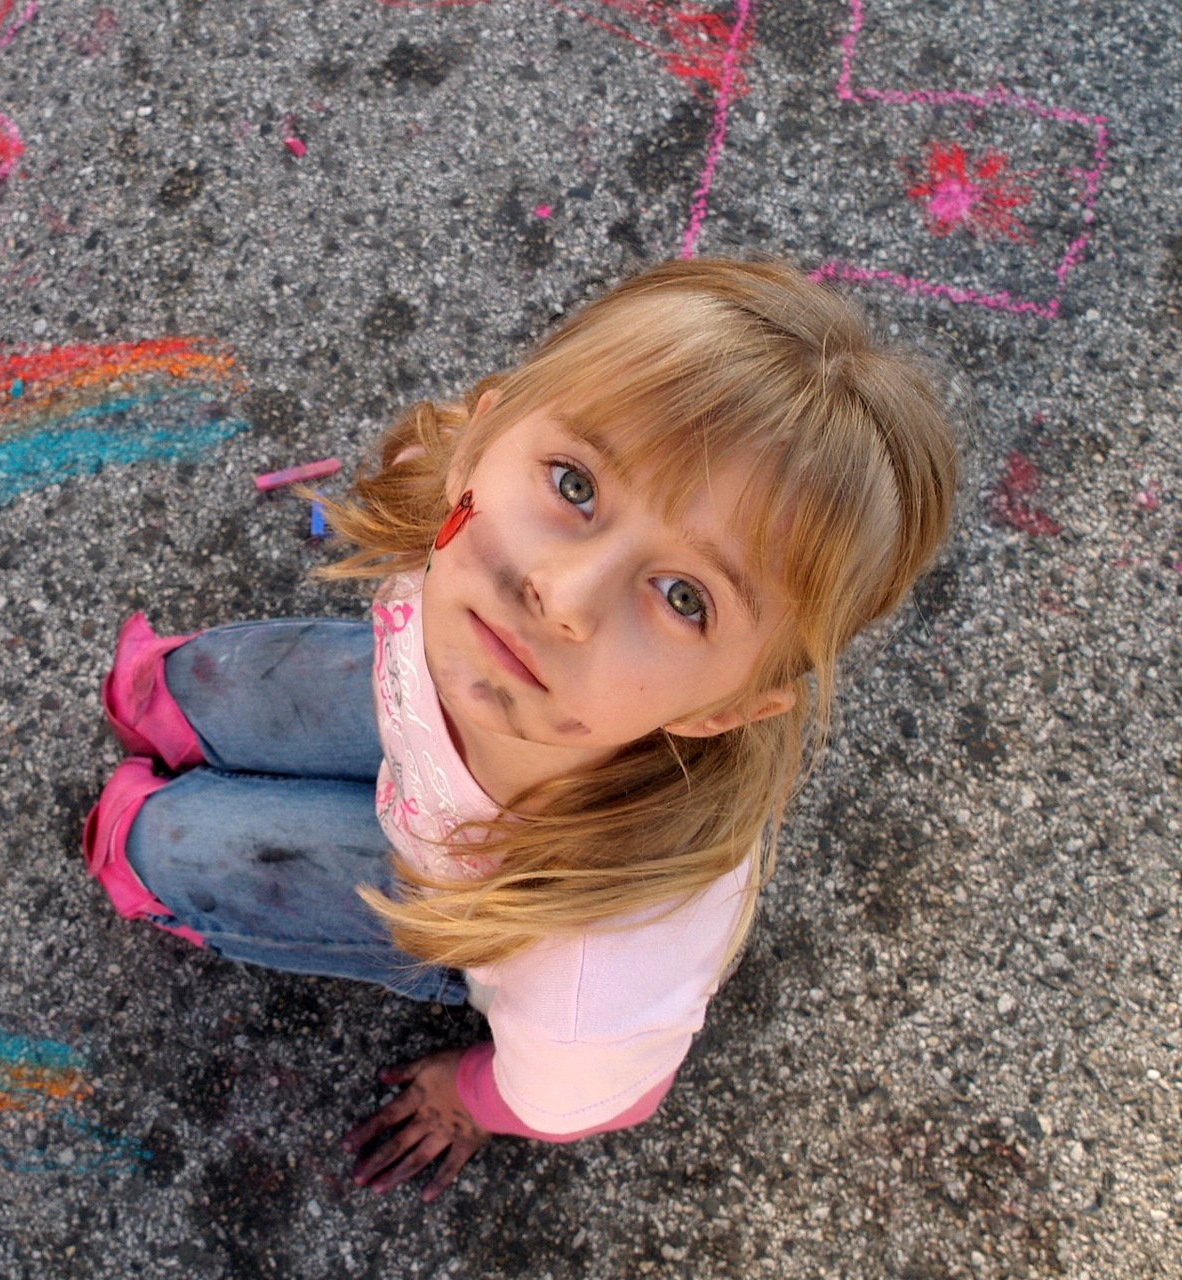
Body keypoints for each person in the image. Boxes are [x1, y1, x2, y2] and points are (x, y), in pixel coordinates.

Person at [80, 257, 958, 1201]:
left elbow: (590, 1097)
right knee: (202, 683)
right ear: (485, 436)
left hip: (481, 895)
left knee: (166, 846)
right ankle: (170, 714)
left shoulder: (599, 966)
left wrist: (469, 1095)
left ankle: (154, 843)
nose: (561, 595)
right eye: (577, 486)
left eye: (683, 597)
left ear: (727, 709)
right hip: (418, 715)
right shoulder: (494, 605)